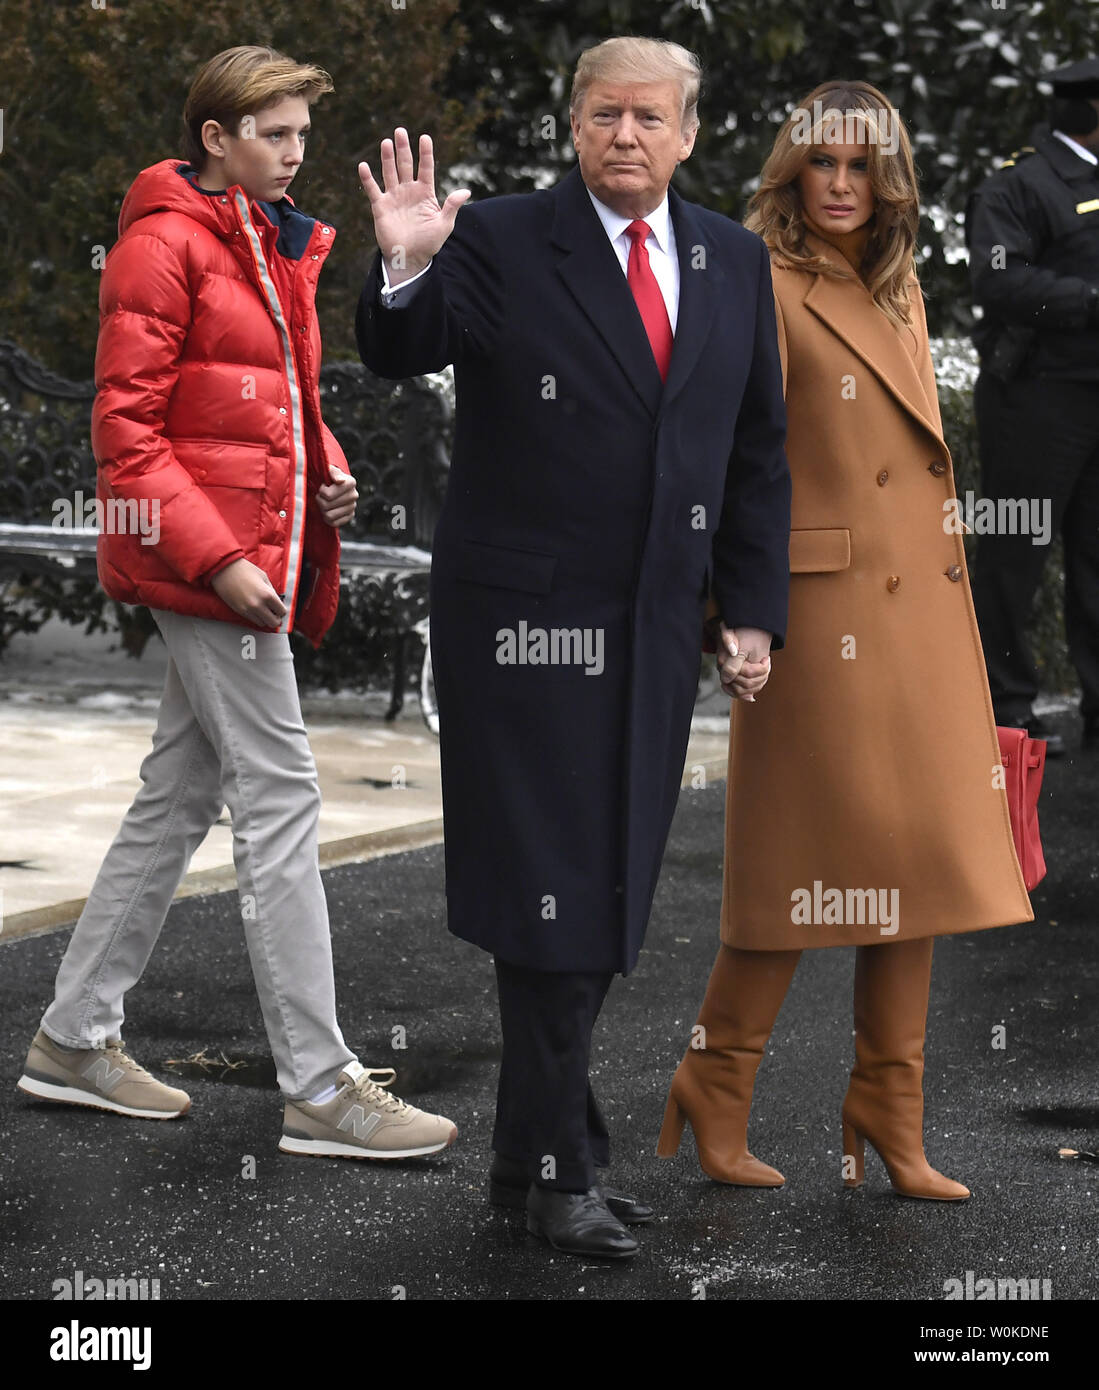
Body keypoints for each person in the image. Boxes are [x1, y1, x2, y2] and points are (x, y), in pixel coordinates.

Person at [355, 35, 790, 1258]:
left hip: (652, 631)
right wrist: (400, 266)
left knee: (600, 894)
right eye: (604, 115)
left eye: (651, 118)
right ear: (574, 124)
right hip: (524, 629)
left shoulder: (731, 258)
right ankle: (557, 1173)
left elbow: (755, 451)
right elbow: (406, 346)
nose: (626, 136)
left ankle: (527, 1160)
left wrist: (748, 609)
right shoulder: (497, 235)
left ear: (691, 131)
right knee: (553, 899)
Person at [17, 45, 456, 1164]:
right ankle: (320, 1086)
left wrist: (327, 459)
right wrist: (217, 564)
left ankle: (73, 1037)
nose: (296, 152)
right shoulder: (164, 244)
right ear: (214, 137)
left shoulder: (263, 241)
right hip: (206, 565)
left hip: (237, 547)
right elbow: (126, 435)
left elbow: (263, 402)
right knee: (282, 794)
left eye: (303, 133)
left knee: (180, 794)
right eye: (275, 133)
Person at [658, 81, 1034, 1202]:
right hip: (814, 611)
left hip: (916, 606)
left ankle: (887, 1103)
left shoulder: (898, 276)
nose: (836, 185)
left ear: (888, 181)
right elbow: (725, 452)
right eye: (817, 163)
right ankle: (715, 1077)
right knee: (798, 855)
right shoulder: (749, 275)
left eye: (858, 167)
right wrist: (732, 608)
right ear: (790, 169)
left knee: (909, 856)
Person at [966, 58, 1099, 759]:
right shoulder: (1021, 183)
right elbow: (995, 276)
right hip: (1038, 397)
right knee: (1016, 554)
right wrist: (1088, 304)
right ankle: (1006, 710)